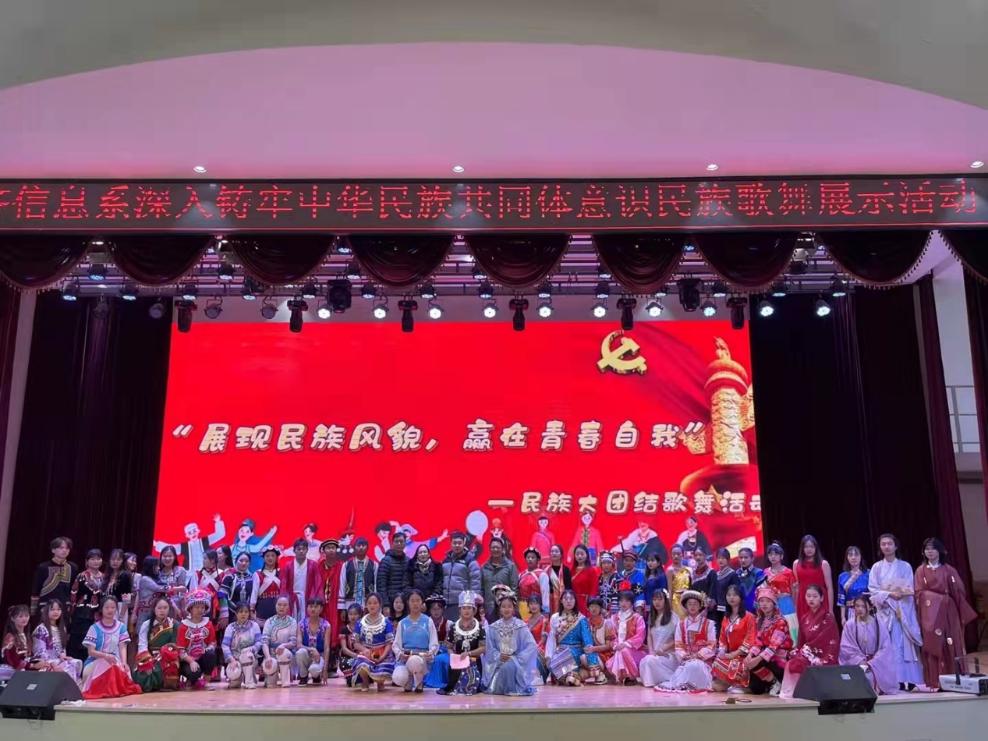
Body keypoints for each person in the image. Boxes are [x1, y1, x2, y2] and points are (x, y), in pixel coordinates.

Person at [914, 537, 977, 691]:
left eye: (933, 548)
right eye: (927, 549)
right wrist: (938, 599)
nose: (930, 551)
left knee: (951, 641)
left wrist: (949, 603)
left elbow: (959, 591)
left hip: (949, 612)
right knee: (934, 642)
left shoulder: (949, 570)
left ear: (940, 550)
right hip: (929, 614)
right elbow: (918, 593)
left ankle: (956, 678)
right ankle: (935, 681)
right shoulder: (920, 571)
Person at [869, 532, 923, 691]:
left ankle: (910, 679)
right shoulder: (877, 568)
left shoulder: (905, 566)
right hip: (886, 611)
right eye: (883, 544)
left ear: (895, 546)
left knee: (904, 645)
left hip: (902, 611)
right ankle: (894, 680)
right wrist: (888, 596)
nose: (886, 546)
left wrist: (901, 595)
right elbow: (873, 590)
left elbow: (910, 588)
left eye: (889, 544)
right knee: (889, 647)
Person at [779, 584, 839, 698]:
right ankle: (791, 693)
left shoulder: (828, 617)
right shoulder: (804, 618)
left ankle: (800, 693)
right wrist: (798, 651)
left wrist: (808, 650)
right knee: (791, 660)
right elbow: (801, 641)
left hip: (823, 655)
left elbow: (829, 641)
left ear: (821, 598)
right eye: (808, 596)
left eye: (815, 596)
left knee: (798, 662)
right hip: (807, 652)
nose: (811, 599)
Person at [80, 597, 142, 699]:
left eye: (113, 607)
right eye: (107, 607)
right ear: (101, 609)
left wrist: (124, 662)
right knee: (106, 664)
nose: (110, 610)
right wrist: (105, 656)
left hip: (114, 659)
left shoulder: (121, 627)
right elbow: (91, 652)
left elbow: (122, 646)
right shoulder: (94, 628)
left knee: (122, 669)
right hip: (95, 661)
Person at [657, 589, 716, 692]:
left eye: (695, 604)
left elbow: (712, 645)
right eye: (690, 604)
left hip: (703, 662)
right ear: (686, 606)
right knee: (689, 665)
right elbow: (678, 645)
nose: (692, 607)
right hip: (686, 660)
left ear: (700, 606)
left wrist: (698, 655)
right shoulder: (681, 624)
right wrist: (684, 656)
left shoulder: (709, 624)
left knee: (695, 665)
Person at [839, 595, 898, 695]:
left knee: (871, 677)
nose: (859, 609)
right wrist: (861, 661)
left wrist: (873, 662)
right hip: (857, 663)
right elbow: (846, 648)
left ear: (870, 607)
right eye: (857, 606)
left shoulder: (878, 624)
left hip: (876, 663)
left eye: (863, 606)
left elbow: (885, 647)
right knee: (863, 677)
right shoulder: (850, 625)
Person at [483, 593, 537, 696]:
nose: (506, 609)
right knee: (503, 668)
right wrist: (498, 656)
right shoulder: (493, 627)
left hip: (516, 662)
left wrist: (516, 658)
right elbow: (489, 648)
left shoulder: (520, 626)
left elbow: (531, 645)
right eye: (503, 606)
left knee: (508, 667)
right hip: (498, 662)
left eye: (509, 606)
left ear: (513, 609)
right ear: (500, 609)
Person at [744, 586, 793, 696]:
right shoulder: (760, 620)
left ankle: (775, 682)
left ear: (774, 603)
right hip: (765, 656)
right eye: (761, 601)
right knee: (756, 689)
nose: (764, 604)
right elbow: (758, 642)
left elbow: (773, 646)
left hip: (778, 658)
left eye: (768, 601)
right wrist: (750, 655)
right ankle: (769, 683)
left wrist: (756, 659)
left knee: (756, 662)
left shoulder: (780, 621)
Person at [546, 589, 599, 686]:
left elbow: (587, 640)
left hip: (576, 650)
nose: (568, 601)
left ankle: (570, 676)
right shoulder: (555, 617)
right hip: (559, 650)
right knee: (553, 662)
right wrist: (549, 656)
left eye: (571, 599)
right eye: (565, 599)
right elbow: (551, 639)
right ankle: (572, 676)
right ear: (561, 601)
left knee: (566, 657)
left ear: (575, 601)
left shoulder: (581, 618)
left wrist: (591, 659)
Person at [438, 591, 486, 695]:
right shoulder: (454, 627)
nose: (466, 611)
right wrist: (453, 655)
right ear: (460, 610)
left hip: (474, 662)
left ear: (474, 610)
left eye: (469, 608)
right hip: (458, 661)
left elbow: (483, 648)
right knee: (454, 671)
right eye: (464, 608)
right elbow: (449, 646)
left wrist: (469, 654)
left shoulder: (479, 627)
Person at [712, 584, 755, 692]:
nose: (731, 597)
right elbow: (722, 638)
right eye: (729, 595)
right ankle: (727, 684)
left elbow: (750, 639)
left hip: (744, 656)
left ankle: (741, 685)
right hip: (730, 655)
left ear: (740, 597)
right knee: (716, 661)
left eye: (735, 595)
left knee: (733, 665)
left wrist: (735, 654)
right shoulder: (726, 617)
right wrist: (722, 651)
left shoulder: (749, 617)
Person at [392, 590, 438, 692]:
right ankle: (408, 678)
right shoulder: (402, 623)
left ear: (422, 603)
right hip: (406, 656)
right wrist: (400, 654)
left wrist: (431, 653)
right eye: (412, 601)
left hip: (422, 658)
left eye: (418, 600)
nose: (415, 604)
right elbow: (396, 645)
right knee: (398, 677)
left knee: (415, 661)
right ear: (408, 603)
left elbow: (434, 643)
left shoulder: (428, 621)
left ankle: (419, 681)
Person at [132, 597, 180, 692]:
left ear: (169, 609)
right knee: (142, 674)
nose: (162, 610)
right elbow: (142, 645)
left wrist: (165, 653)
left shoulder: (174, 624)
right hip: (149, 655)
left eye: (165, 608)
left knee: (164, 667)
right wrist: (147, 662)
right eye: (159, 608)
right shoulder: (146, 624)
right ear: (154, 609)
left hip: (168, 656)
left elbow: (175, 645)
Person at [351, 593, 395, 692]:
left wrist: (382, 657)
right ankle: (365, 681)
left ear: (380, 605)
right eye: (370, 603)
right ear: (366, 605)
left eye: (375, 603)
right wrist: (364, 650)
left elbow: (389, 643)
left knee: (382, 669)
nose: (372, 605)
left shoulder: (386, 622)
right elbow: (355, 643)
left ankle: (380, 682)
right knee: (361, 663)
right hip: (366, 653)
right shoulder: (360, 623)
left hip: (382, 654)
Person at [154, 515, 226, 575]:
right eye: (190, 533)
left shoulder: (205, 541)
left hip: (207, 573)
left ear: (198, 531)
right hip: (190, 574)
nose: (193, 534)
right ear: (187, 535)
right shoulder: (185, 546)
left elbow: (219, 534)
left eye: (194, 531)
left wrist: (218, 521)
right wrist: (156, 544)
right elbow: (172, 548)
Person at [176, 590, 218, 689]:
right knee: (194, 672)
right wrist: (191, 661)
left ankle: (206, 680)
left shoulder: (208, 624)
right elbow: (180, 650)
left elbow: (212, 643)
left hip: (202, 658)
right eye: (197, 607)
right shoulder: (183, 626)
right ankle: (192, 680)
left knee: (211, 655)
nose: (200, 610)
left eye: (202, 607)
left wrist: (208, 649)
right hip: (187, 661)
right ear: (190, 608)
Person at [68, 548, 105, 660]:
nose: (96, 561)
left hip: (98, 613)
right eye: (92, 559)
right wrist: (71, 612)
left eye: (98, 559)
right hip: (82, 613)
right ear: (87, 561)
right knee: (79, 641)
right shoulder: (81, 576)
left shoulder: (104, 577)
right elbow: (73, 594)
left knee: (95, 641)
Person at [316, 538, 346, 676]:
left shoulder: (342, 566)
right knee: (322, 631)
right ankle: (320, 664)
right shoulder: (318, 566)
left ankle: (333, 666)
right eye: (328, 548)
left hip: (335, 603)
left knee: (335, 631)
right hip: (322, 604)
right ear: (323, 550)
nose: (331, 550)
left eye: (333, 548)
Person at [32, 599, 82, 679]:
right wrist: (53, 664)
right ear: (46, 611)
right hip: (45, 662)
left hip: (58, 661)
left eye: (58, 609)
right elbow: (40, 652)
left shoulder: (62, 628)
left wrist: (63, 656)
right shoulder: (41, 629)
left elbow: (62, 648)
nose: (56, 612)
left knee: (75, 663)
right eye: (52, 609)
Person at [639, 589, 679, 688]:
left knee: (650, 661)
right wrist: (651, 651)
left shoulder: (673, 617)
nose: (657, 602)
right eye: (654, 599)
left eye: (660, 599)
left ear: (665, 600)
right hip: (655, 654)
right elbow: (649, 636)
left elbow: (677, 639)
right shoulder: (652, 616)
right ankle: (654, 681)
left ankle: (670, 678)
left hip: (669, 655)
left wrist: (663, 649)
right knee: (646, 661)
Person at [607, 590, 647, 685]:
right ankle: (625, 676)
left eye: (627, 601)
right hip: (618, 648)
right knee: (621, 651)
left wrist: (625, 644)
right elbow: (612, 635)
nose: (623, 603)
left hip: (635, 650)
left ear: (632, 603)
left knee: (624, 650)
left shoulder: (637, 618)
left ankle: (631, 675)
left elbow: (640, 636)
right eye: (621, 601)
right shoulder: (614, 618)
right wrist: (616, 645)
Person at [31, 536, 77, 617]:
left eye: (67, 548)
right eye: (61, 548)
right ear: (53, 550)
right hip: (45, 607)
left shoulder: (72, 567)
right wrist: (33, 611)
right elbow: (36, 590)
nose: (64, 550)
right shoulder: (43, 567)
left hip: (64, 608)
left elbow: (73, 590)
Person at [441, 531, 481, 621]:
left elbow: (475, 582)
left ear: (464, 543)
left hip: (462, 603)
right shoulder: (445, 560)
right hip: (446, 602)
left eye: (459, 543)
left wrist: (473, 600)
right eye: (454, 543)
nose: (457, 545)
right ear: (451, 544)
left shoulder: (470, 560)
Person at [793, 534, 834, 624]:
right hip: (803, 601)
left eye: (811, 546)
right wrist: (795, 606)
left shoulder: (823, 564)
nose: (809, 549)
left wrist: (831, 609)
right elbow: (797, 587)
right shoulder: (796, 564)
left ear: (816, 548)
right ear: (802, 549)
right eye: (806, 547)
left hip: (819, 601)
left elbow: (829, 588)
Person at [280, 538, 322, 624]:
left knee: (307, 623)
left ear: (307, 550)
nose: (301, 551)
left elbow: (318, 583)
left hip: (308, 599)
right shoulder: (288, 566)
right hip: (292, 599)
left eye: (303, 549)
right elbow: (283, 585)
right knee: (291, 623)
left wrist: (317, 600)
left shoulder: (313, 565)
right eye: (298, 549)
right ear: (294, 550)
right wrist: (283, 600)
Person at [222, 601, 262, 690]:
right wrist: (232, 660)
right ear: (236, 613)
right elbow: (225, 645)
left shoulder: (254, 626)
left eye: (246, 612)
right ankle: (240, 678)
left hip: (250, 657)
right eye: (240, 612)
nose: (243, 614)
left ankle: (249, 681)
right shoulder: (230, 627)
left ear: (249, 613)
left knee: (247, 656)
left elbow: (259, 642)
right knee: (234, 686)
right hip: (235, 660)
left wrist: (251, 649)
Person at [764, 542, 798, 642]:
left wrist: (795, 606)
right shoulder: (765, 572)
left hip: (787, 603)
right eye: (770, 554)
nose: (773, 557)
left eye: (776, 554)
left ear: (781, 556)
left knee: (790, 626)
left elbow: (794, 591)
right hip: (772, 604)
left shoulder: (788, 572)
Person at [261, 596, 298, 688]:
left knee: (284, 654)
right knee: (270, 685)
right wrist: (268, 657)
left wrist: (284, 646)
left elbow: (293, 642)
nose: (282, 607)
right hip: (272, 655)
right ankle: (272, 676)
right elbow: (264, 642)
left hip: (286, 653)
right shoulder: (269, 621)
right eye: (279, 604)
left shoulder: (292, 621)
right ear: (275, 606)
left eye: (285, 605)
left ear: (288, 607)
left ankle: (285, 681)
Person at [481, 538, 519, 621]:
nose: (495, 549)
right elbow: (482, 589)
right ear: (489, 549)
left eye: (498, 547)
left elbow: (514, 589)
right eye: (493, 547)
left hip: (506, 610)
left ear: (503, 549)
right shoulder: (484, 567)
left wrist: (513, 608)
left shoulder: (510, 566)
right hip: (489, 610)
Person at [295, 598, 330, 686]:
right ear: (307, 608)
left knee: (315, 670)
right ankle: (303, 676)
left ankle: (316, 676)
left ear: (321, 609)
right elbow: (299, 645)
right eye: (310, 606)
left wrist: (325, 669)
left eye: (316, 607)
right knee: (300, 652)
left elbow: (326, 648)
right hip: (306, 655)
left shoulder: (326, 625)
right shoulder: (301, 624)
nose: (313, 609)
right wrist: (311, 649)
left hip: (319, 657)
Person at [376, 531, 411, 612]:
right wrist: (385, 604)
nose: (399, 544)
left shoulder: (409, 561)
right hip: (390, 603)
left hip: (405, 603)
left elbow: (410, 584)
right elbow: (381, 586)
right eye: (396, 541)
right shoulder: (385, 561)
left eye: (401, 541)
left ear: (405, 543)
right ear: (392, 543)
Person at [195, 549, 229, 631]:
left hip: (217, 608)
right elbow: (193, 593)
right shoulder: (198, 574)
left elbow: (223, 595)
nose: (203, 561)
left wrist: (224, 614)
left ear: (212, 560)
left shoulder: (222, 574)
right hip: (200, 607)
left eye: (205, 558)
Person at [2, 605, 38, 681]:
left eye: (26, 616)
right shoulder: (10, 637)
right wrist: (32, 665)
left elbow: (28, 656)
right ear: (12, 618)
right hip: (12, 670)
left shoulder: (26, 635)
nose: (24, 619)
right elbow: (12, 660)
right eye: (20, 616)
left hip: (24, 668)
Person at [710, 548, 741, 636]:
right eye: (719, 558)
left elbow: (736, 593)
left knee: (728, 632)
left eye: (723, 558)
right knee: (718, 632)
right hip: (717, 610)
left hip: (728, 609)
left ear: (728, 560)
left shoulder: (732, 574)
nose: (721, 560)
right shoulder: (716, 574)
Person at [837, 545, 870, 626]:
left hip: (867, 611)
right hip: (851, 612)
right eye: (850, 555)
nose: (853, 557)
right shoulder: (842, 577)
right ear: (847, 558)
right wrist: (842, 617)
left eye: (856, 555)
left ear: (861, 557)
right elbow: (841, 599)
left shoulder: (869, 574)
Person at [423, 594, 451, 688]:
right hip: (427, 650)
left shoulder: (448, 624)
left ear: (442, 610)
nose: (436, 611)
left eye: (438, 609)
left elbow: (449, 643)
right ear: (429, 610)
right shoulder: (424, 623)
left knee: (442, 659)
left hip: (444, 651)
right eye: (433, 609)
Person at [343, 536, 377, 609]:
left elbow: (376, 585)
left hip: (368, 602)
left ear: (367, 547)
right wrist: (342, 607)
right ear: (354, 547)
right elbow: (342, 584)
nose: (361, 547)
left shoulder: (374, 565)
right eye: (358, 545)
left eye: (363, 545)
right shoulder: (346, 564)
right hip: (350, 602)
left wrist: (375, 603)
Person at [251, 547, 283, 624]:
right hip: (262, 608)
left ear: (276, 558)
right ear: (264, 558)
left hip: (278, 607)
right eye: (267, 556)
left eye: (273, 555)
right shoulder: (258, 574)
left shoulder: (281, 573)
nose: (270, 558)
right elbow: (254, 593)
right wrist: (251, 609)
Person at [585, 596, 615, 680]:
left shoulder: (607, 623)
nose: (594, 609)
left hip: (605, 656)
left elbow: (608, 646)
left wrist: (593, 649)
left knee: (584, 658)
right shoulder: (585, 623)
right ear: (588, 608)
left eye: (596, 606)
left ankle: (603, 672)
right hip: (589, 653)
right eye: (591, 606)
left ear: (601, 608)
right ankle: (599, 675)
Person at [524, 594, 551, 684]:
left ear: (540, 605)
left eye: (536, 603)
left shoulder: (545, 621)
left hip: (541, 650)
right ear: (528, 606)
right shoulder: (525, 622)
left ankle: (538, 676)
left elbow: (543, 640)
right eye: (531, 603)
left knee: (533, 655)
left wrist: (533, 648)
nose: (533, 606)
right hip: (528, 649)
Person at [518, 547, 550, 620]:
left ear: (537, 560)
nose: (530, 559)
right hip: (522, 608)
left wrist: (546, 612)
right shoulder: (521, 575)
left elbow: (545, 594)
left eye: (533, 557)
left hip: (536, 607)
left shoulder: (542, 575)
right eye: (528, 557)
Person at [157, 545, 190, 617]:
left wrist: (170, 589)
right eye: (165, 556)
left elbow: (183, 588)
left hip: (176, 605)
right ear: (161, 557)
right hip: (161, 605)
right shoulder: (158, 571)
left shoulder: (180, 570)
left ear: (174, 557)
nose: (167, 558)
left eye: (170, 556)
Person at [571, 544, 600, 615]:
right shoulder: (571, 570)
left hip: (585, 602)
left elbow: (594, 589)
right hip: (572, 602)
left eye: (582, 554)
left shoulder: (591, 571)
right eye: (577, 554)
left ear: (587, 555)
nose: (579, 556)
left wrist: (590, 603)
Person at [339, 603, 364, 687]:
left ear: (360, 615)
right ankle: (351, 678)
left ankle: (362, 678)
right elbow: (344, 649)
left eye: (355, 614)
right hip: (349, 656)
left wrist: (361, 655)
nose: (353, 616)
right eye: (350, 614)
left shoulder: (363, 628)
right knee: (346, 662)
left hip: (362, 655)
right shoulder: (344, 629)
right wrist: (355, 655)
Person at [735, 547, 764, 614]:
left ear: (752, 558)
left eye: (746, 557)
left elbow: (762, 593)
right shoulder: (736, 573)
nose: (743, 560)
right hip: (740, 611)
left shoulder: (758, 573)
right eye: (741, 557)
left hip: (756, 611)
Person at [666, 544, 692, 618]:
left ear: (683, 554)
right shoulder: (670, 570)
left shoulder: (689, 570)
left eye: (678, 554)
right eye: (674, 554)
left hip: (687, 600)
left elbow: (691, 587)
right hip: (676, 602)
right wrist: (669, 607)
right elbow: (670, 590)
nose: (676, 556)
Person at [690, 547, 716, 618]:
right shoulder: (692, 574)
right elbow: (691, 592)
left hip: (708, 612)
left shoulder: (711, 573)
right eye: (696, 555)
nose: (698, 557)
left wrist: (706, 609)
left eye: (700, 555)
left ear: (705, 556)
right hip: (695, 610)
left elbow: (712, 593)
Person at [546, 544, 572, 614]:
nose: (554, 553)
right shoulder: (546, 570)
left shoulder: (566, 570)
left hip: (563, 600)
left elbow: (568, 587)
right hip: (550, 601)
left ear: (561, 555)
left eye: (556, 551)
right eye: (552, 551)